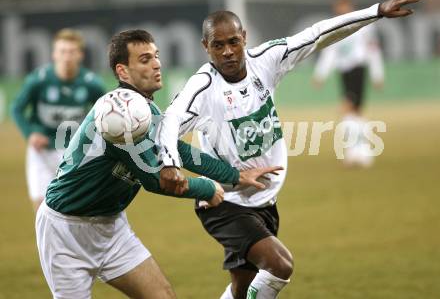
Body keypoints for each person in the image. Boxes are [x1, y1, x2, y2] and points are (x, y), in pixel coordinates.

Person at [157, 0, 426, 299]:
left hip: (265, 200)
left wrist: (376, 11)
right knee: (279, 265)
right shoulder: (202, 88)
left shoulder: (266, 61)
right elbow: (171, 121)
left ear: (244, 38)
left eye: (234, 41)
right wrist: (169, 162)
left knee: (242, 288)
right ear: (206, 47)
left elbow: (318, 35)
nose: (228, 52)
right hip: (224, 202)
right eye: (218, 45)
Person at [35, 29, 280, 299]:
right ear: (123, 71)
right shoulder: (118, 116)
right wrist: (208, 189)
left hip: (110, 225)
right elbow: (156, 179)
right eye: (144, 59)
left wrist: (235, 175)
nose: (156, 64)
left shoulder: (145, 110)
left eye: (156, 56)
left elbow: (178, 151)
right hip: (66, 229)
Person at [11, 28, 106, 212]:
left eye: (71, 52)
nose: (67, 57)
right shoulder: (39, 80)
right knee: (41, 209)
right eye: (62, 51)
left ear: (80, 55)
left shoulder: (90, 83)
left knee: (76, 209)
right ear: (54, 54)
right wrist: (30, 133)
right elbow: (17, 109)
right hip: (42, 151)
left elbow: (106, 112)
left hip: (76, 153)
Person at [312, 0, 385, 167]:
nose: (340, 10)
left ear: (350, 6)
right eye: (338, 7)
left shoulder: (363, 25)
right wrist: (321, 74)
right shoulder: (335, 27)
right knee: (356, 111)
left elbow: (373, 50)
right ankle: (363, 154)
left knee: (347, 109)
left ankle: (355, 153)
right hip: (344, 71)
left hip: (357, 68)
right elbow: (330, 52)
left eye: (343, 6)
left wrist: (377, 74)